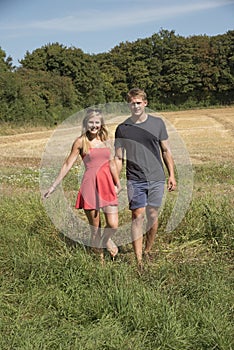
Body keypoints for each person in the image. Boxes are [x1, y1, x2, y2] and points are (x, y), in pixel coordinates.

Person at [44, 109, 121, 262]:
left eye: (97, 122)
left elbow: (111, 163)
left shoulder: (105, 139)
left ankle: (106, 241)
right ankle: (100, 264)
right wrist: (53, 186)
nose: (94, 126)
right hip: (90, 186)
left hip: (106, 185)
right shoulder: (80, 142)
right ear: (86, 123)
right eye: (91, 122)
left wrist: (117, 183)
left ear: (101, 124)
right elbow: (67, 164)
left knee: (113, 224)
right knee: (95, 228)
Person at [114, 88, 176, 270]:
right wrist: (116, 181)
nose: (135, 106)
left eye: (138, 102)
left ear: (145, 103)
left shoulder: (157, 124)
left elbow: (166, 151)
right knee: (137, 216)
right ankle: (139, 261)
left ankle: (148, 250)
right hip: (135, 178)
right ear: (128, 105)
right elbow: (118, 158)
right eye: (132, 103)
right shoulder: (122, 128)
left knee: (152, 216)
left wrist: (171, 174)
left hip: (157, 177)